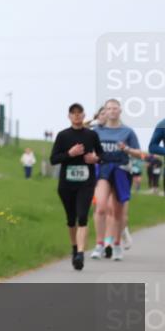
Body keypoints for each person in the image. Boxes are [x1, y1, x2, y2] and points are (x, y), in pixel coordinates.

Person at [49, 104, 103, 270]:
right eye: (74, 114)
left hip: (86, 184)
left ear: (84, 115)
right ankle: (74, 247)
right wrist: (69, 154)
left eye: (80, 113)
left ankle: (80, 253)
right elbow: (53, 159)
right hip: (66, 184)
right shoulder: (63, 136)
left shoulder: (91, 135)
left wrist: (95, 159)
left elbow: (102, 155)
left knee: (82, 216)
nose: (77, 116)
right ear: (69, 116)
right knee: (71, 219)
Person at [92, 99, 143, 261]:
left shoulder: (127, 131)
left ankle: (117, 244)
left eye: (115, 108)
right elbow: (91, 151)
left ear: (120, 111)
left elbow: (139, 153)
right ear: (104, 112)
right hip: (104, 169)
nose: (112, 111)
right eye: (109, 108)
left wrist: (126, 149)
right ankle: (99, 244)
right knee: (100, 207)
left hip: (121, 170)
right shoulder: (97, 131)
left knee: (117, 211)